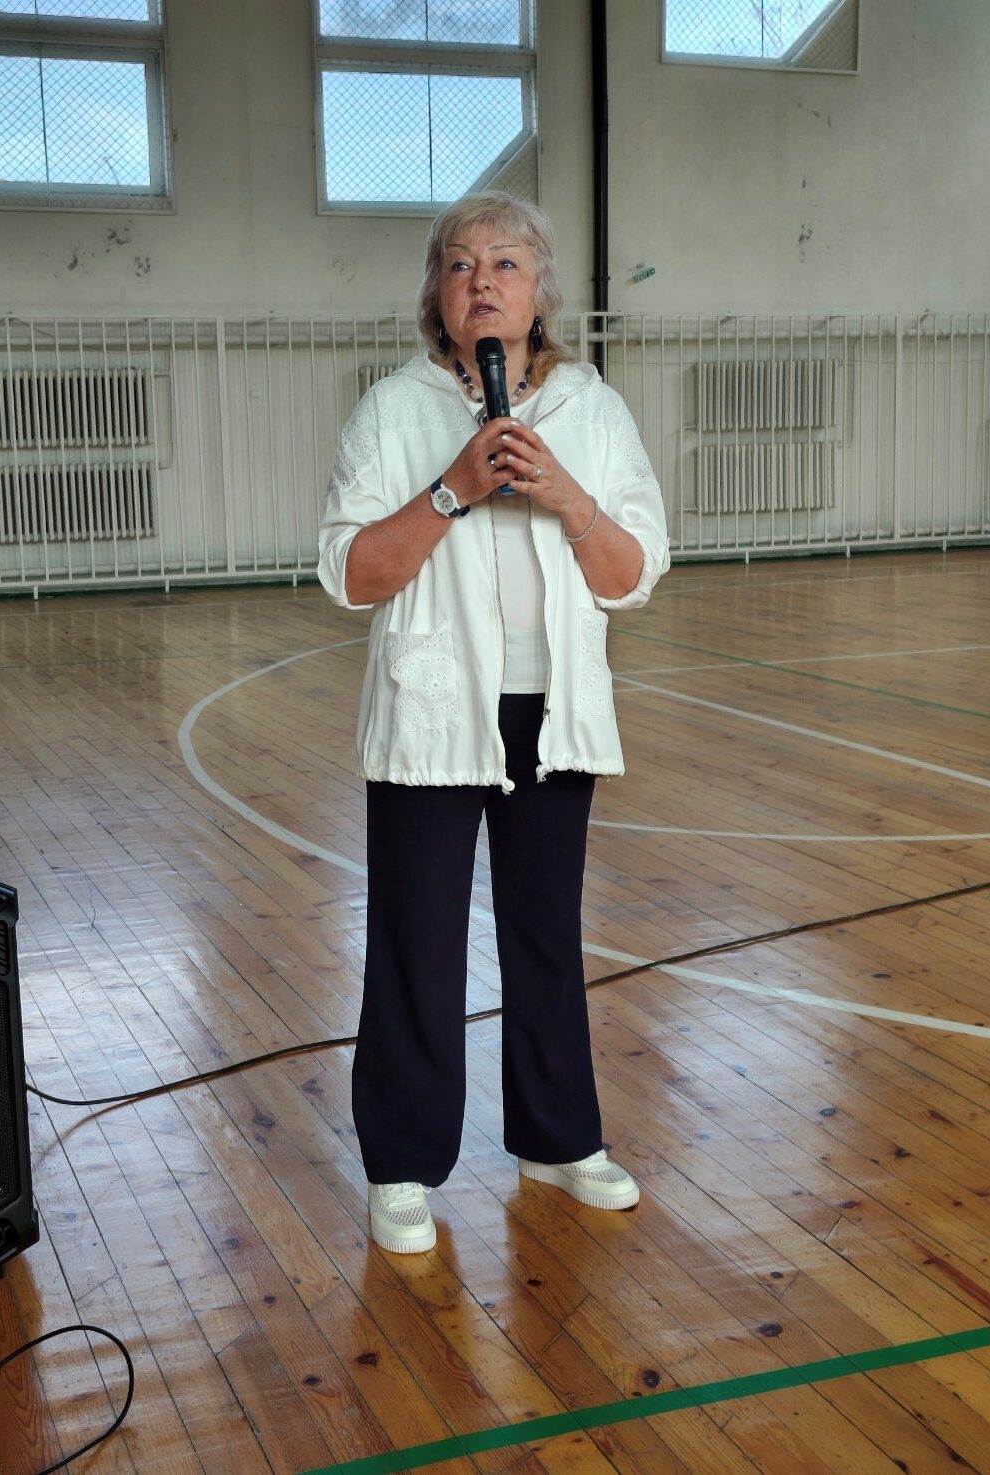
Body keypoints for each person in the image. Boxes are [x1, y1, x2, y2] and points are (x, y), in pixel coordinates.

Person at [317, 191, 670, 1254]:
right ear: (436, 293)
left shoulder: (593, 410)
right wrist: (450, 490)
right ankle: (401, 1160)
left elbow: (633, 573)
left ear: (538, 291)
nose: (482, 280)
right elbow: (348, 574)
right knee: (417, 939)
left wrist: (566, 495)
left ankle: (557, 1138)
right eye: (460, 263)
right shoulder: (392, 411)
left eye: (505, 262)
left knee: (545, 931)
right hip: (432, 712)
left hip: (550, 711)